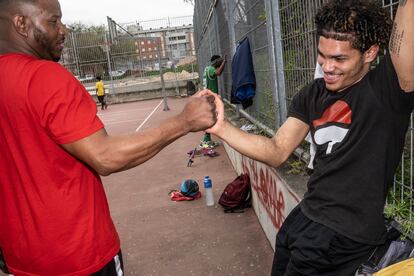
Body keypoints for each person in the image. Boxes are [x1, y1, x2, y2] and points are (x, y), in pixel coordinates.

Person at [0, 0, 217, 275]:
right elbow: (105, 156)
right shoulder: (43, 77)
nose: (64, 30)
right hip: (79, 257)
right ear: (21, 24)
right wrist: (184, 121)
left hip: (22, 259)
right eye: (54, 21)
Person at [207, 0, 414, 275]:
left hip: (344, 234)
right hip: (305, 216)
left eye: (339, 59)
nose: (327, 67)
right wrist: (220, 127)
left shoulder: (388, 90)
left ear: (370, 53)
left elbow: (407, 29)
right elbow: (277, 149)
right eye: (322, 56)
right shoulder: (312, 94)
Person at [201, 54, 226, 144]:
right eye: (219, 62)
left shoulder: (207, 68)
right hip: (210, 97)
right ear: (215, 62)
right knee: (212, 117)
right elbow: (218, 73)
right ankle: (206, 140)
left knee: (211, 117)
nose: (219, 64)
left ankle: (207, 139)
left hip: (207, 96)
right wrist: (224, 62)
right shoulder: (211, 69)